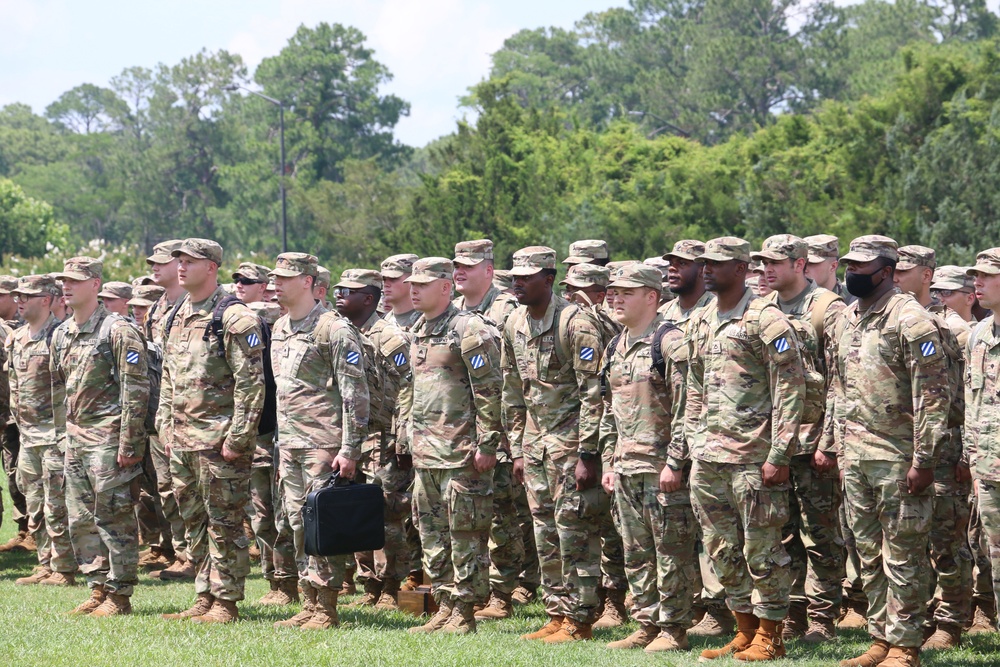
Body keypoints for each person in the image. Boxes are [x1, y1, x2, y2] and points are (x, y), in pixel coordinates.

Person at [829, 236, 950, 667]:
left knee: (904, 555)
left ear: (887, 270)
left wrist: (924, 459)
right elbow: (838, 388)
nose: (852, 274)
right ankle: (879, 638)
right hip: (857, 456)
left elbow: (932, 396)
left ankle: (906, 645)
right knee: (868, 554)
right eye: (849, 266)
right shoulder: (847, 318)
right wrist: (840, 450)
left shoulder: (911, 320)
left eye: (862, 267)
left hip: (899, 459)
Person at [687, 237, 805, 662]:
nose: (706, 271)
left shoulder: (766, 320)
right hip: (710, 456)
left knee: (763, 550)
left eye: (716, 265)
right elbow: (695, 385)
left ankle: (772, 635)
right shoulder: (703, 319)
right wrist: (692, 441)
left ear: (741, 268)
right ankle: (744, 629)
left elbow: (791, 387)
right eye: (704, 264)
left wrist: (779, 453)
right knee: (720, 549)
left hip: (754, 458)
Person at [157, 239, 266, 624]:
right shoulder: (177, 313)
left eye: (191, 261)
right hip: (183, 440)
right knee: (194, 523)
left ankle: (227, 600)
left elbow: (251, 385)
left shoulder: (235, 318)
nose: (182, 267)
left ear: (212, 267)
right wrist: (164, 424)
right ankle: (204, 595)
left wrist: (238, 438)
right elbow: (169, 377)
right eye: (179, 261)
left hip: (219, 442)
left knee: (225, 524)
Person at [504, 246, 606, 644]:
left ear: (548, 279)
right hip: (535, 448)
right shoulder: (514, 322)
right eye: (514, 277)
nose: (517, 284)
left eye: (525, 278)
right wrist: (516, 448)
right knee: (545, 532)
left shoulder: (575, 323)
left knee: (574, 532)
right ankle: (556, 613)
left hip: (569, 448)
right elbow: (513, 391)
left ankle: (580, 618)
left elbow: (593, 393)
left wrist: (587, 453)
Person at [399, 257, 502, 635]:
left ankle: (465, 612)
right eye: (411, 284)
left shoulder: (470, 329)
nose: (413, 290)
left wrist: (488, 443)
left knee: (466, 535)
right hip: (426, 453)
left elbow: (491, 391)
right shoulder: (419, 329)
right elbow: (413, 387)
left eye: (422, 284)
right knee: (432, 535)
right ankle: (444, 605)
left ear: (445, 288)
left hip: (462, 453)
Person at [267, 254, 370, 630]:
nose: (276, 284)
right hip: (291, 443)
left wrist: (349, 448)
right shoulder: (280, 327)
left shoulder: (333, 329)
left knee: (322, 525)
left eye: (286, 278)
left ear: (309, 282)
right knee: (296, 523)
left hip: (323, 444)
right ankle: (308, 602)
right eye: (275, 277)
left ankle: (327, 607)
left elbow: (354, 393)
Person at [754, 234, 846, 643]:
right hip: (773, 443)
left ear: (800, 264)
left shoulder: (826, 308)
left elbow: (842, 382)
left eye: (776, 262)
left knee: (821, 536)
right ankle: (792, 616)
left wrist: (829, 441)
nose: (767, 269)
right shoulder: (762, 308)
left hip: (812, 443)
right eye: (762, 263)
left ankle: (824, 619)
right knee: (781, 533)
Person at [599, 263, 696, 652]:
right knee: (636, 552)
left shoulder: (669, 342)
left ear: (652, 296)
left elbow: (689, 406)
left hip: (661, 469)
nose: (615, 298)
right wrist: (609, 461)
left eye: (626, 292)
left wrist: (675, 461)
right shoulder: (616, 345)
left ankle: (674, 628)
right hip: (626, 466)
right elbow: (609, 409)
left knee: (671, 551)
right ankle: (646, 622)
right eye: (613, 292)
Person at [51, 257, 150, 616]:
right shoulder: (61, 333)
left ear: (95, 284)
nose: (68, 286)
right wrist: (63, 436)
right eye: (65, 280)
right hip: (76, 441)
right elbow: (59, 389)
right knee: (79, 519)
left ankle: (119, 594)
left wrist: (129, 442)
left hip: (109, 441)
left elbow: (136, 388)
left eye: (76, 280)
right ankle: (97, 587)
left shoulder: (117, 330)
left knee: (114, 518)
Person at [893, 245, 972, 651]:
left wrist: (962, 453)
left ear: (926, 274)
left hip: (943, 452)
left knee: (947, 541)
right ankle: (917, 618)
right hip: (903, 450)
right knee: (911, 543)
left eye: (905, 270)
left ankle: (952, 621)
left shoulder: (953, 329)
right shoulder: (893, 321)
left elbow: (962, 397)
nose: (897, 276)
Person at [334, 268, 414, 611]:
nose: (339, 295)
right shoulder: (344, 334)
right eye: (338, 289)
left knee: (388, 514)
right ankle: (369, 585)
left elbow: (412, 385)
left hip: (386, 440)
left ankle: (392, 587)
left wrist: (403, 437)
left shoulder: (389, 337)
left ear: (368, 298)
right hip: (356, 439)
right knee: (358, 513)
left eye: (348, 291)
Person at [559, 261, 629, 628]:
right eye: (568, 290)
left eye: (578, 290)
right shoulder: (590, 321)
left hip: (601, 437)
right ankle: (604, 601)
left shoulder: (591, 325)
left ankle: (615, 602)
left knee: (607, 525)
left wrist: (588, 450)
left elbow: (592, 392)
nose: (570, 297)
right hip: (600, 435)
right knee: (599, 523)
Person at [9, 276, 76, 587]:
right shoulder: (17, 338)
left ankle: (64, 568)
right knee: (35, 503)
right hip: (28, 435)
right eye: (18, 296)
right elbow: (14, 387)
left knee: (57, 504)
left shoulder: (61, 336)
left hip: (55, 435)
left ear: (47, 300)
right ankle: (45, 565)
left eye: (28, 296)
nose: (19, 301)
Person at [141, 240, 193, 580]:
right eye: (153, 264)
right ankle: (176, 549)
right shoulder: (155, 309)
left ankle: (192, 554)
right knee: (165, 485)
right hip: (161, 411)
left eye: (162, 263)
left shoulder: (194, 304)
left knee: (187, 487)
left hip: (190, 412)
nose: (154, 269)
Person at [966, 248, 1000, 638]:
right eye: (976, 275)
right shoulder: (979, 335)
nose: (978, 282)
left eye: (988, 276)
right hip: (988, 472)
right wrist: (972, 461)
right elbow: (970, 402)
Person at [0, 274, 29, 552]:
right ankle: (23, 528)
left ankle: (32, 530)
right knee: (12, 473)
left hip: (22, 413)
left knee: (25, 472)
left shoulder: (27, 326)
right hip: (6, 415)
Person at [804, 234, 856, 305]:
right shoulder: (793, 298)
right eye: (802, 263)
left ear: (833, 266)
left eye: (811, 263)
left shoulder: (854, 300)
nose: (804, 269)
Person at [381, 254, 421, 331]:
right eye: (384, 279)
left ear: (412, 280)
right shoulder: (383, 322)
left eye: (393, 278)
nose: (386, 284)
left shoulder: (426, 320)